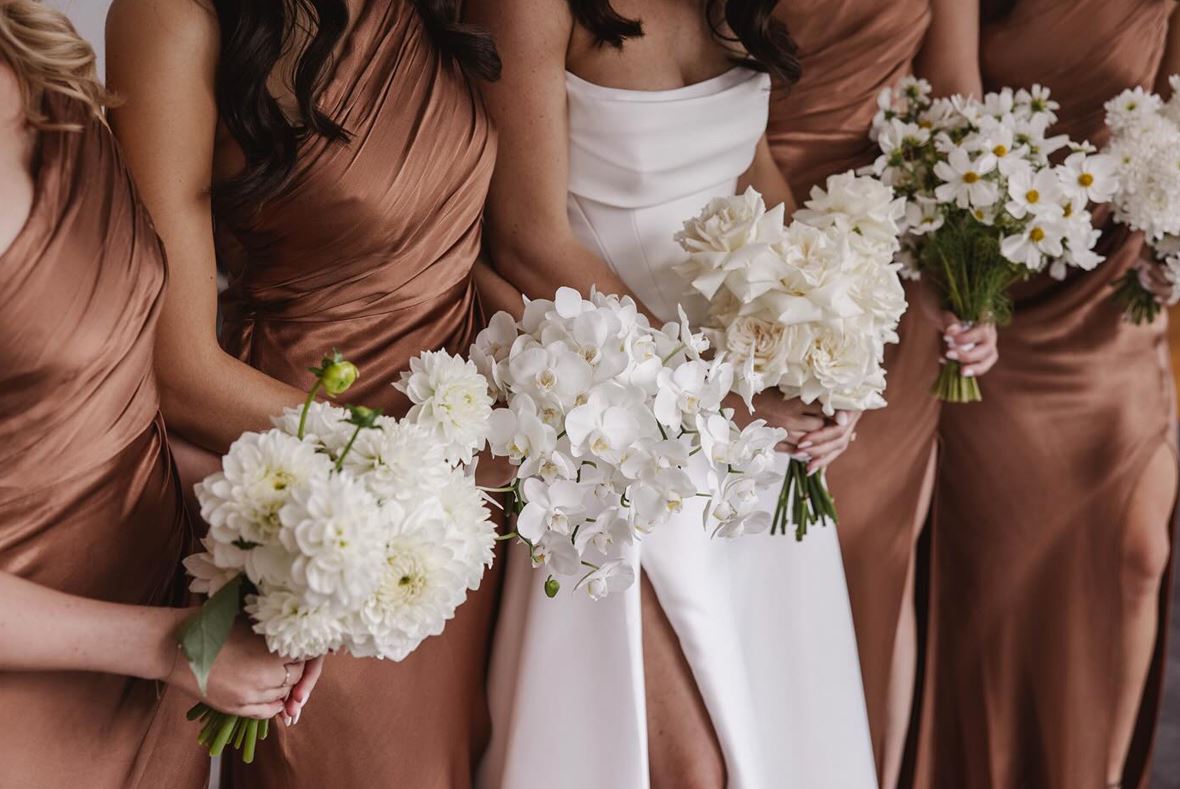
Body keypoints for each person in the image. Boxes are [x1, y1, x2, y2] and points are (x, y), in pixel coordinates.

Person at [470, 1, 877, 786]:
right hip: (617, 416)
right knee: (684, 764)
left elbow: (752, 179)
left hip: (757, 411)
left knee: (779, 719)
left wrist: (828, 346)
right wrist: (712, 396)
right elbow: (527, 235)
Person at [105, 0, 512, 785]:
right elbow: (178, 364)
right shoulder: (171, 17)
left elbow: (467, 246)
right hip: (317, 504)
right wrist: (385, 458)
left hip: (462, 502)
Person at [0, 2, 306, 787]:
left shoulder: (46, 63)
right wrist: (166, 646)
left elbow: (85, 424)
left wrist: (293, 530)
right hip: (39, 704)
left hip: (159, 660)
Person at [916, 1, 1180, 786]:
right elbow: (953, 112)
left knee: (1139, 552)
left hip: (1115, 278)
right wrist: (970, 275)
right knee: (998, 578)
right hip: (994, 265)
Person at [766, 1, 997, 786]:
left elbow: (954, 94)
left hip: (888, 269)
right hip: (741, 250)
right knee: (762, 570)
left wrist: (972, 273)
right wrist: (801, 292)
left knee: (875, 563)